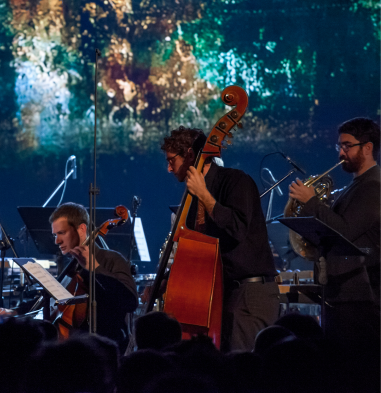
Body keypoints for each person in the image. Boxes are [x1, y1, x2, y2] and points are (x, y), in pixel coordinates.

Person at [162, 126, 279, 352]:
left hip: (249, 295)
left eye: (171, 160)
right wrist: (167, 280)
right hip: (222, 296)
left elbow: (237, 229)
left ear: (188, 154)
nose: (168, 168)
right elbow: (196, 252)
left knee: (243, 374)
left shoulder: (236, 181)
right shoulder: (192, 198)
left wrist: (205, 195)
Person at [289, 117, 381, 345]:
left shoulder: (373, 187)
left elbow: (345, 231)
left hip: (359, 296)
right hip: (342, 292)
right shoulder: (356, 185)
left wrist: (312, 203)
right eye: (339, 146)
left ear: (367, 147)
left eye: (347, 146)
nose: (341, 153)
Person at [0, 202, 138, 345]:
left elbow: (129, 302)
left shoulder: (111, 259)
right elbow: (53, 301)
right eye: (55, 235)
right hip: (71, 346)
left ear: (81, 229)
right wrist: (16, 312)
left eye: (61, 233)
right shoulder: (72, 265)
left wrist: (94, 268)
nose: (57, 241)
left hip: (103, 346)